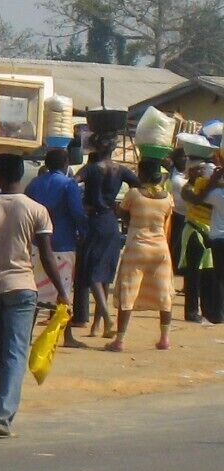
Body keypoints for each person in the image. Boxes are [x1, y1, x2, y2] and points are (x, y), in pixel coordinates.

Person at [0, 154, 70, 438]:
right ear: (22, 176)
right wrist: (63, 292)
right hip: (22, 288)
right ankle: (2, 416)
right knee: (15, 352)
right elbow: (46, 254)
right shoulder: (36, 209)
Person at [73, 135, 139, 338]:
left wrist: (81, 204)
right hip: (111, 220)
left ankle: (108, 319)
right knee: (105, 271)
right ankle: (96, 325)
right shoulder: (121, 170)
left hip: (93, 220)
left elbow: (72, 184)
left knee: (91, 271)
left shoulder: (91, 169)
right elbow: (139, 185)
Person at [107, 159, 175, 352]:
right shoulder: (167, 197)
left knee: (128, 292)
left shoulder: (134, 194)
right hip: (160, 249)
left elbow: (122, 212)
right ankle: (164, 338)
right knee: (164, 294)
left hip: (137, 247)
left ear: (142, 174)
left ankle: (119, 340)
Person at [24, 148, 89, 348]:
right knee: (62, 291)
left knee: (35, 290)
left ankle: (26, 335)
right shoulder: (69, 185)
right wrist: (84, 233)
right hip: (63, 244)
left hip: (37, 244)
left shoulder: (34, 184)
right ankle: (65, 336)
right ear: (66, 163)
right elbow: (77, 212)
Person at [182, 157, 224, 324]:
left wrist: (212, 183)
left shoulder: (210, 191)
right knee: (194, 273)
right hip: (196, 230)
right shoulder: (189, 188)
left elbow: (202, 199)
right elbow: (194, 199)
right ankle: (192, 311)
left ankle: (209, 310)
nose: (201, 172)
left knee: (211, 275)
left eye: (202, 170)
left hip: (211, 234)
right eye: (197, 169)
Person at [168, 148, 189, 273]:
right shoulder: (171, 171)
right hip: (175, 212)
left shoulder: (190, 172)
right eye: (182, 156)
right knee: (174, 240)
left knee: (182, 241)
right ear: (175, 159)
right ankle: (173, 265)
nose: (185, 159)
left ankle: (179, 266)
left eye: (186, 156)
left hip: (188, 213)